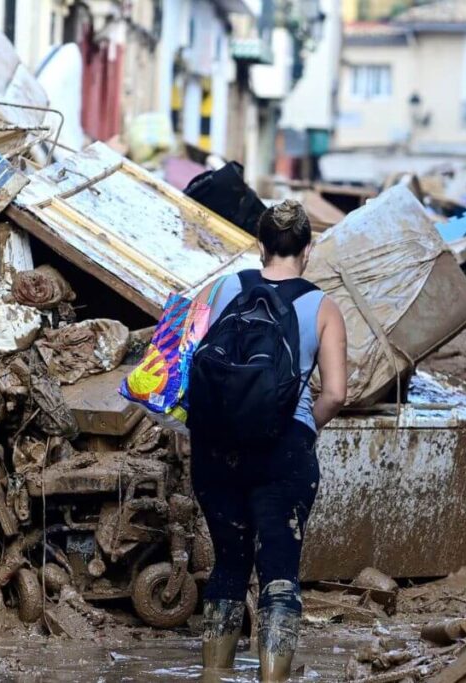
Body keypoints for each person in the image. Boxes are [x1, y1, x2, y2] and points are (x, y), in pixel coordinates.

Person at [190, 200, 348, 681]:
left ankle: (213, 674)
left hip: (215, 450)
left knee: (229, 566)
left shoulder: (221, 289)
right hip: (284, 453)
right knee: (279, 570)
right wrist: (303, 427)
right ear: (308, 248)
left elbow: (186, 359)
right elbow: (338, 394)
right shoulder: (322, 307)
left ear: (261, 245)